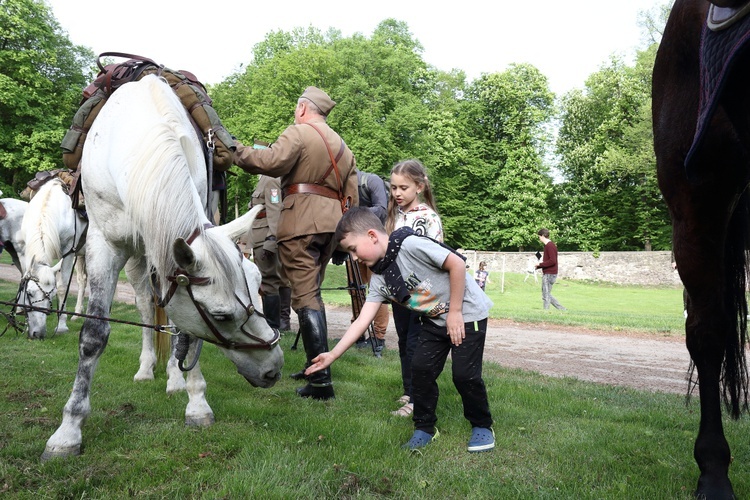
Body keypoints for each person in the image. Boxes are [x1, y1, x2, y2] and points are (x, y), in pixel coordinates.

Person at [306, 207, 495, 452]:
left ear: (372, 236)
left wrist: (456, 313)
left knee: (464, 376)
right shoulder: (381, 278)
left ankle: (482, 425)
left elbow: (457, 264)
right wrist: (332, 354)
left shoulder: (410, 245)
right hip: (434, 321)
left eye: (353, 249)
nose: (353, 258)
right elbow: (363, 319)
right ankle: (425, 428)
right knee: (421, 369)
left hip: (467, 314)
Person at [233, 86, 359, 400]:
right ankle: (313, 368)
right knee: (310, 294)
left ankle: (321, 383)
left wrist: (234, 150)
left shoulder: (299, 132)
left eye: (295, 108)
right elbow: (352, 196)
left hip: (300, 223)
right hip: (331, 227)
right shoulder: (343, 146)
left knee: (307, 298)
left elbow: (271, 162)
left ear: (303, 108)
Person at [385, 159, 444, 417]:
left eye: (403, 188)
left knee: (416, 344)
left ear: (419, 186)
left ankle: (417, 400)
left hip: (422, 291)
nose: (397, 193)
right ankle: (409, 389)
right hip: (399, 292)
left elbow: (436, 257)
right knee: (403, 340)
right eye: (393, 187)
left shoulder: (429, 218)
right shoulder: (392, 215)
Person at [350, 169, 390, 354]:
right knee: (355, 289)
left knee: (378, 290)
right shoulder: (341, 186)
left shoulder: (371, 181)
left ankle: (378, 336)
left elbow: (382, 210)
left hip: (376, 245)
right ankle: (358, 334)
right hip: (354, 244)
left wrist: (355, 213)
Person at [246, 174, 292, 331]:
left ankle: (273, 325)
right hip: (260, 234)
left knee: (269, 282)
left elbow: (274, 211)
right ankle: (281, 322)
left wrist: (271, 240)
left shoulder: (271, 179)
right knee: (277, 279)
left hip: (265, 236)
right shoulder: (264, 178)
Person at [535, 228, 566, 310]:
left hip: (549, 274)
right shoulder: (548, 246)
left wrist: (540, 264)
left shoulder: (550, 246)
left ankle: (546, 312)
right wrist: (538, 266)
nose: (539, 239)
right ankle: (562, 309)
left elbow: (552, 261)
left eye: (539, 237)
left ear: (542, 236)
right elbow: (549, 261)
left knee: (546, 295)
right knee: (546, 294)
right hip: (550, 273)